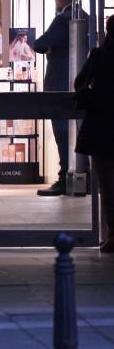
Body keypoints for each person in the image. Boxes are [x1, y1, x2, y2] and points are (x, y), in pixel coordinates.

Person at [35, 0, 90, 196]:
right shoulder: (87, 18)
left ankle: (65, 177)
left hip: (60, 85)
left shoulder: (62, 20)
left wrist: (51, 49)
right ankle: (84, 176)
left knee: (62, 131)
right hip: (83, 86)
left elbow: (39, 44)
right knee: (81, 132)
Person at [74, 15, 114, 253]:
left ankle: (112, 234)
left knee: (107, 185)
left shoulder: (100, 55)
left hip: (101, 126)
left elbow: (80, 82)